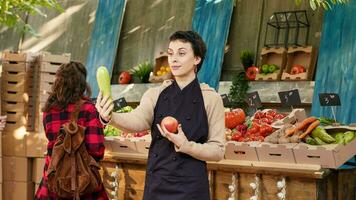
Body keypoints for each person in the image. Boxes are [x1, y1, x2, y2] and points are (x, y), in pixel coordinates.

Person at [96, 30, 225, 200]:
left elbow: (218, 151)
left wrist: (186, 145)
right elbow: (137, 120)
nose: (174, 59)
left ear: (197, 59)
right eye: (171, 53)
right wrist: (110, 117)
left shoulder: (211, 98)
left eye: (181, 53)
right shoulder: (155, 94)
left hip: (191, 188)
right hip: (158, 183)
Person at [35, 61, 108, 200]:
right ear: (81, 84)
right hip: (81, 184)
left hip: (53, 182)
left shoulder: (48, 110)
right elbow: (96, 149)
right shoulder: (88, 109)